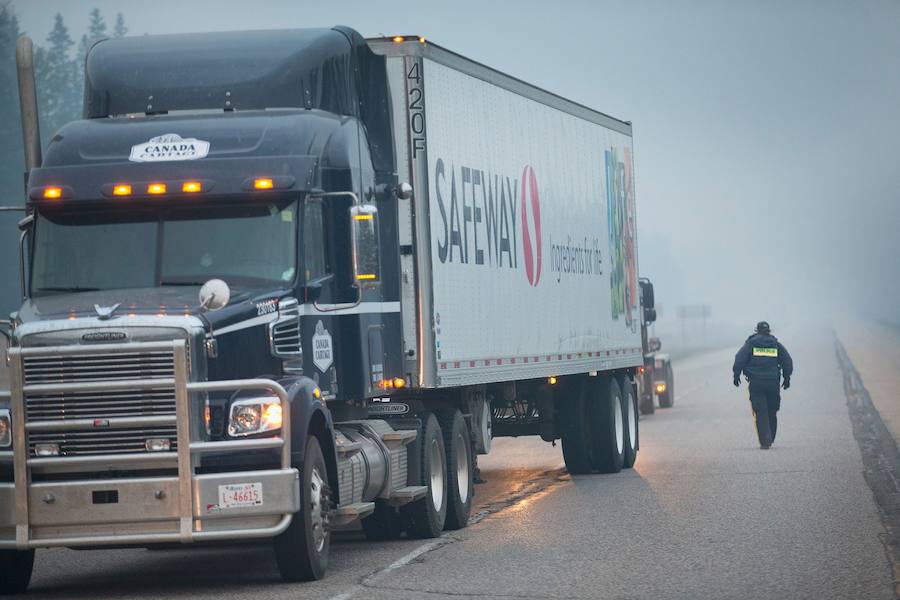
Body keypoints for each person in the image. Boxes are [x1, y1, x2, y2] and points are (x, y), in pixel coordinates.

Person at [732, 321, 793, 449]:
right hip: (773, 382)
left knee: (760, 412)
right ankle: (770, 436)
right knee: (772, 410)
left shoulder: (751, 344)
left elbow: (740, 359)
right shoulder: (775, 344)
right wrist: (787, 378)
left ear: (757, 330)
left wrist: (736, 375)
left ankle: (766, 441)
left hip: (756, 383)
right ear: (769, 330)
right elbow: (787, 361)